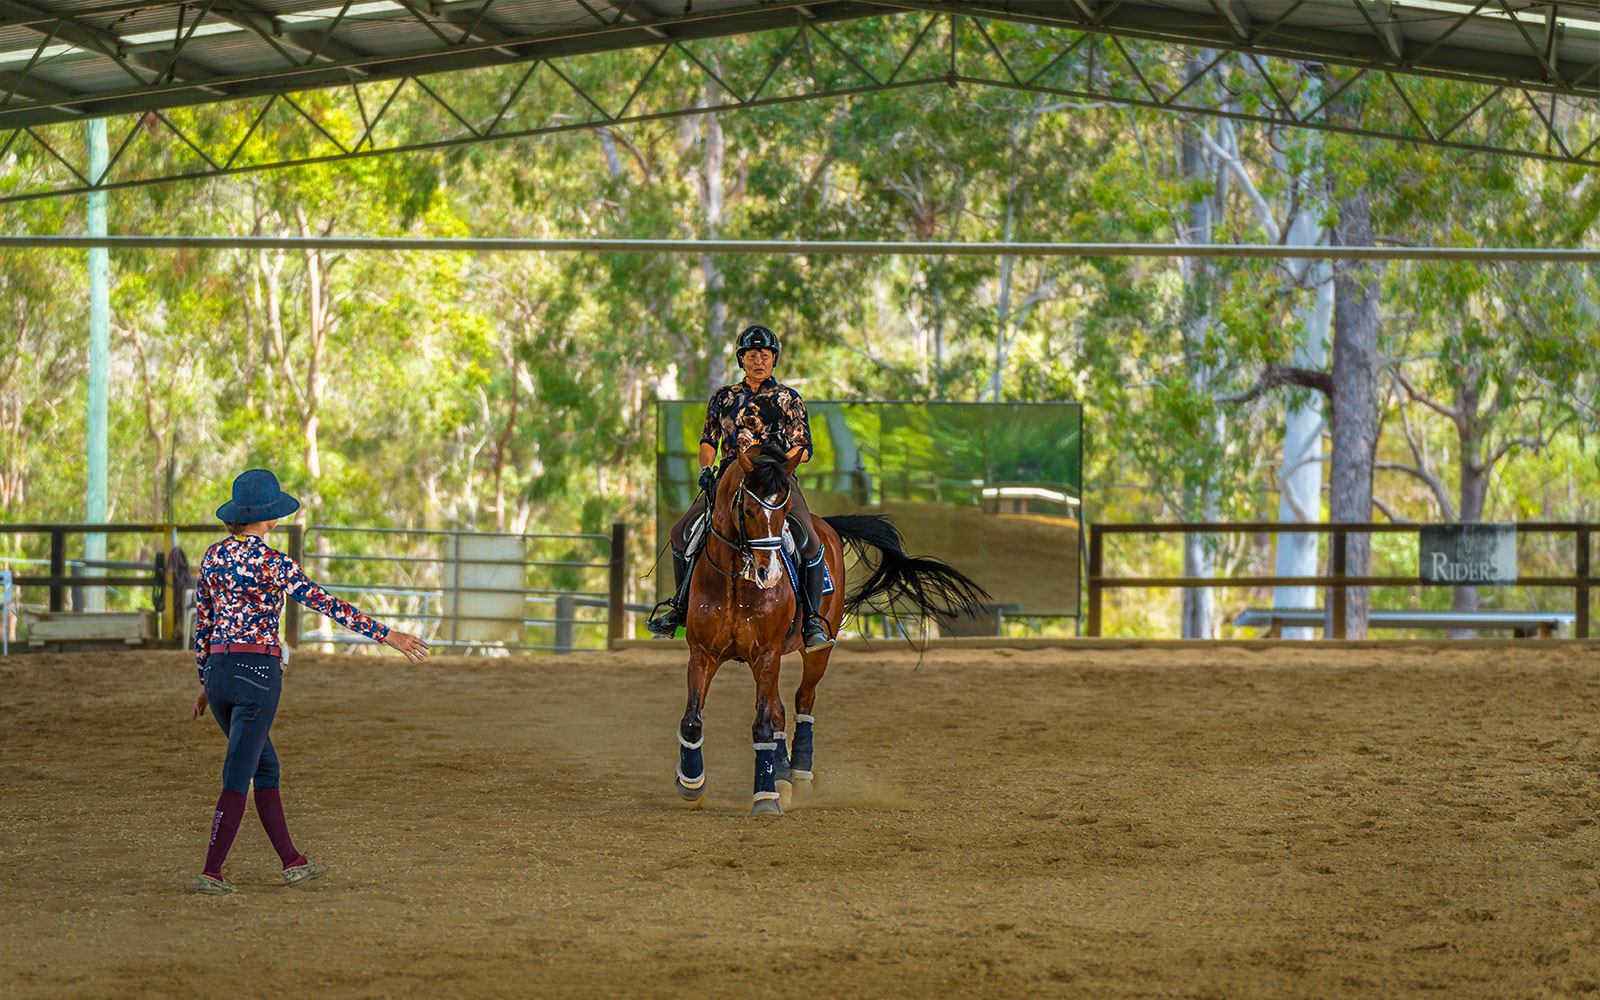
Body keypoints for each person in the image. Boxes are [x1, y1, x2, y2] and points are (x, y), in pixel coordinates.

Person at [189, 469, 429, 895]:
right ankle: (211, 870)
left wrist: (205, 680)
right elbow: (326, 603)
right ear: (269, 518)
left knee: (264, 766)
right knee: (239, 773)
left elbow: (203, 623)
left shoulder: (212, 557)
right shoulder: (274, 562)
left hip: (221, 675)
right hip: (258, 675)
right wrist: (388, 635)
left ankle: (292, 861)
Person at [648, 324, 833, 651]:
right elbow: (709, 440)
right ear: (741, 360)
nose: (758, 361)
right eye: (751, 356)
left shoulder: (788, 398)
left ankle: (813, 619)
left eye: (764, 355)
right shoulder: (723, 398)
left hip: (776, 481)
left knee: (809, 540)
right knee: (681, 533)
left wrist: (781, 467)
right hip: (730, 481)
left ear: (774, 359)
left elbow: (803, 447)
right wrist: (707, 468)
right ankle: (681, 607)